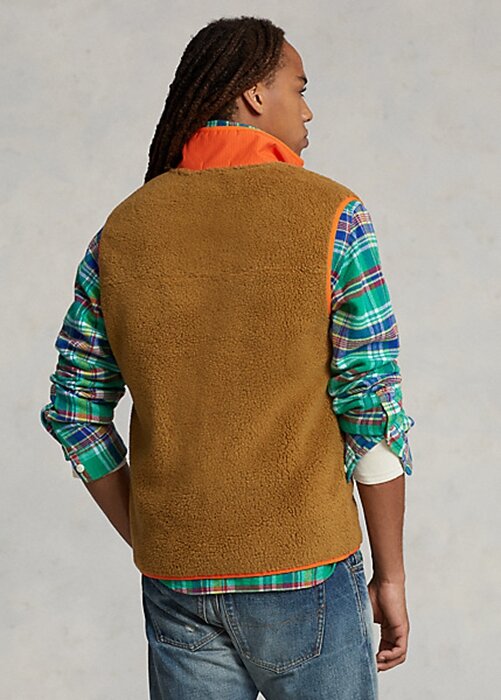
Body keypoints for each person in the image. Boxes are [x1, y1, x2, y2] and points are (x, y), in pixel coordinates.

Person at [40, 15, 415, 700]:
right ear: (253, 94)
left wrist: (153, 537)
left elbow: (74, 411)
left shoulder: (122, 230)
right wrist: (390, 576)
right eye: (299, 88)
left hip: (178, 578)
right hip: (307, 569)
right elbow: (372, 411)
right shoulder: (333, 215)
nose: (307, 110)